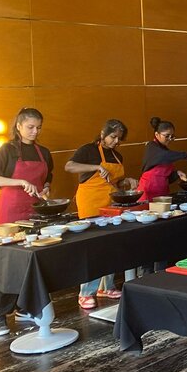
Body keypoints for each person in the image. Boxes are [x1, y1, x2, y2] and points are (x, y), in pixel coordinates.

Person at [0, 107, 54, 336]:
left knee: (33, 261)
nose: (35, 131)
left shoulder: (43, 151)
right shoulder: (8, 150)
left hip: (35, 212)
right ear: (19, 126)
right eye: (30, 127)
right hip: (10, 213)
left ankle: (25, 308)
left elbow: (48, 176)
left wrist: (46, 188)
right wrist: (20, 181)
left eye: (38, 127)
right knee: (8, 265)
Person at [65, 119, 137, 309]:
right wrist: (95, 167)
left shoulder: (117, 155)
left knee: (111, 245)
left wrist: (127, 181)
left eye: (119, 139)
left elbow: (115, 182)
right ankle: (85, 292)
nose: (115, 142)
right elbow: (69, 166)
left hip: (110, 204)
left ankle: (106, 286)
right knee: (93, 249)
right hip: (90, 203)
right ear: (103, 133)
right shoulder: (88, 150)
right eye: (113, 137)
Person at [137, 117, 187, 202]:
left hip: (162, 193)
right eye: (167, 136)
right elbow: (164, 156)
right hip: (148, 192)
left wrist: (177, 174)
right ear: (157, 135)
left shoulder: (165, 151)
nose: (170, 139)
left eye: (172, 136)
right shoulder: (151, 147)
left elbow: (164, 178)